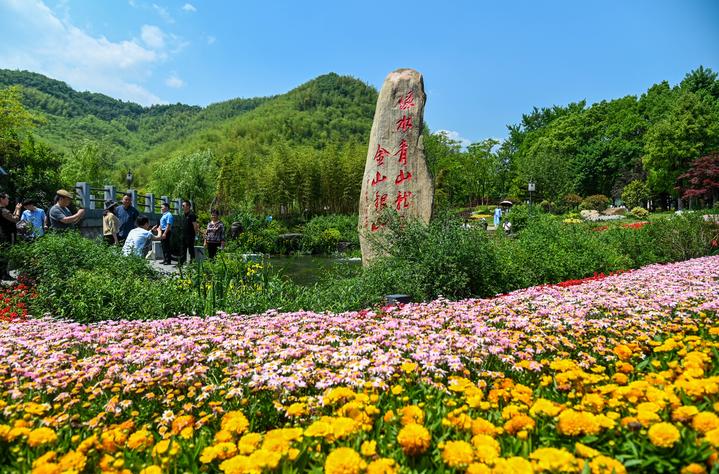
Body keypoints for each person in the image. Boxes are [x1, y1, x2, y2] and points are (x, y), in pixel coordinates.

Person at [0, 193, 22, 280]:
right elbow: (15, 219)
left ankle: (3, 273)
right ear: (2, 199)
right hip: (5, 235)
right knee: (5, 254)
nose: (8, 200)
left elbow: (10, 218)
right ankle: (3, 274)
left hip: (2, 234)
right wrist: (18, 210)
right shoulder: (3, 210)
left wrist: (15, 209)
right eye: (7, 198)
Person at [179, 200, 199, 264]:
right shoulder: (183, 215)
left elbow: (195, 226)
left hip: (190, 236)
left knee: (191, 250)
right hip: (183, 235)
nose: (182, 207)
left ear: (188, 206)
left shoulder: (192, 215)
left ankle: (192, 263)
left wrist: (196, 235)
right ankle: (182, 263)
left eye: (183, 205)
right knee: (182, 250)